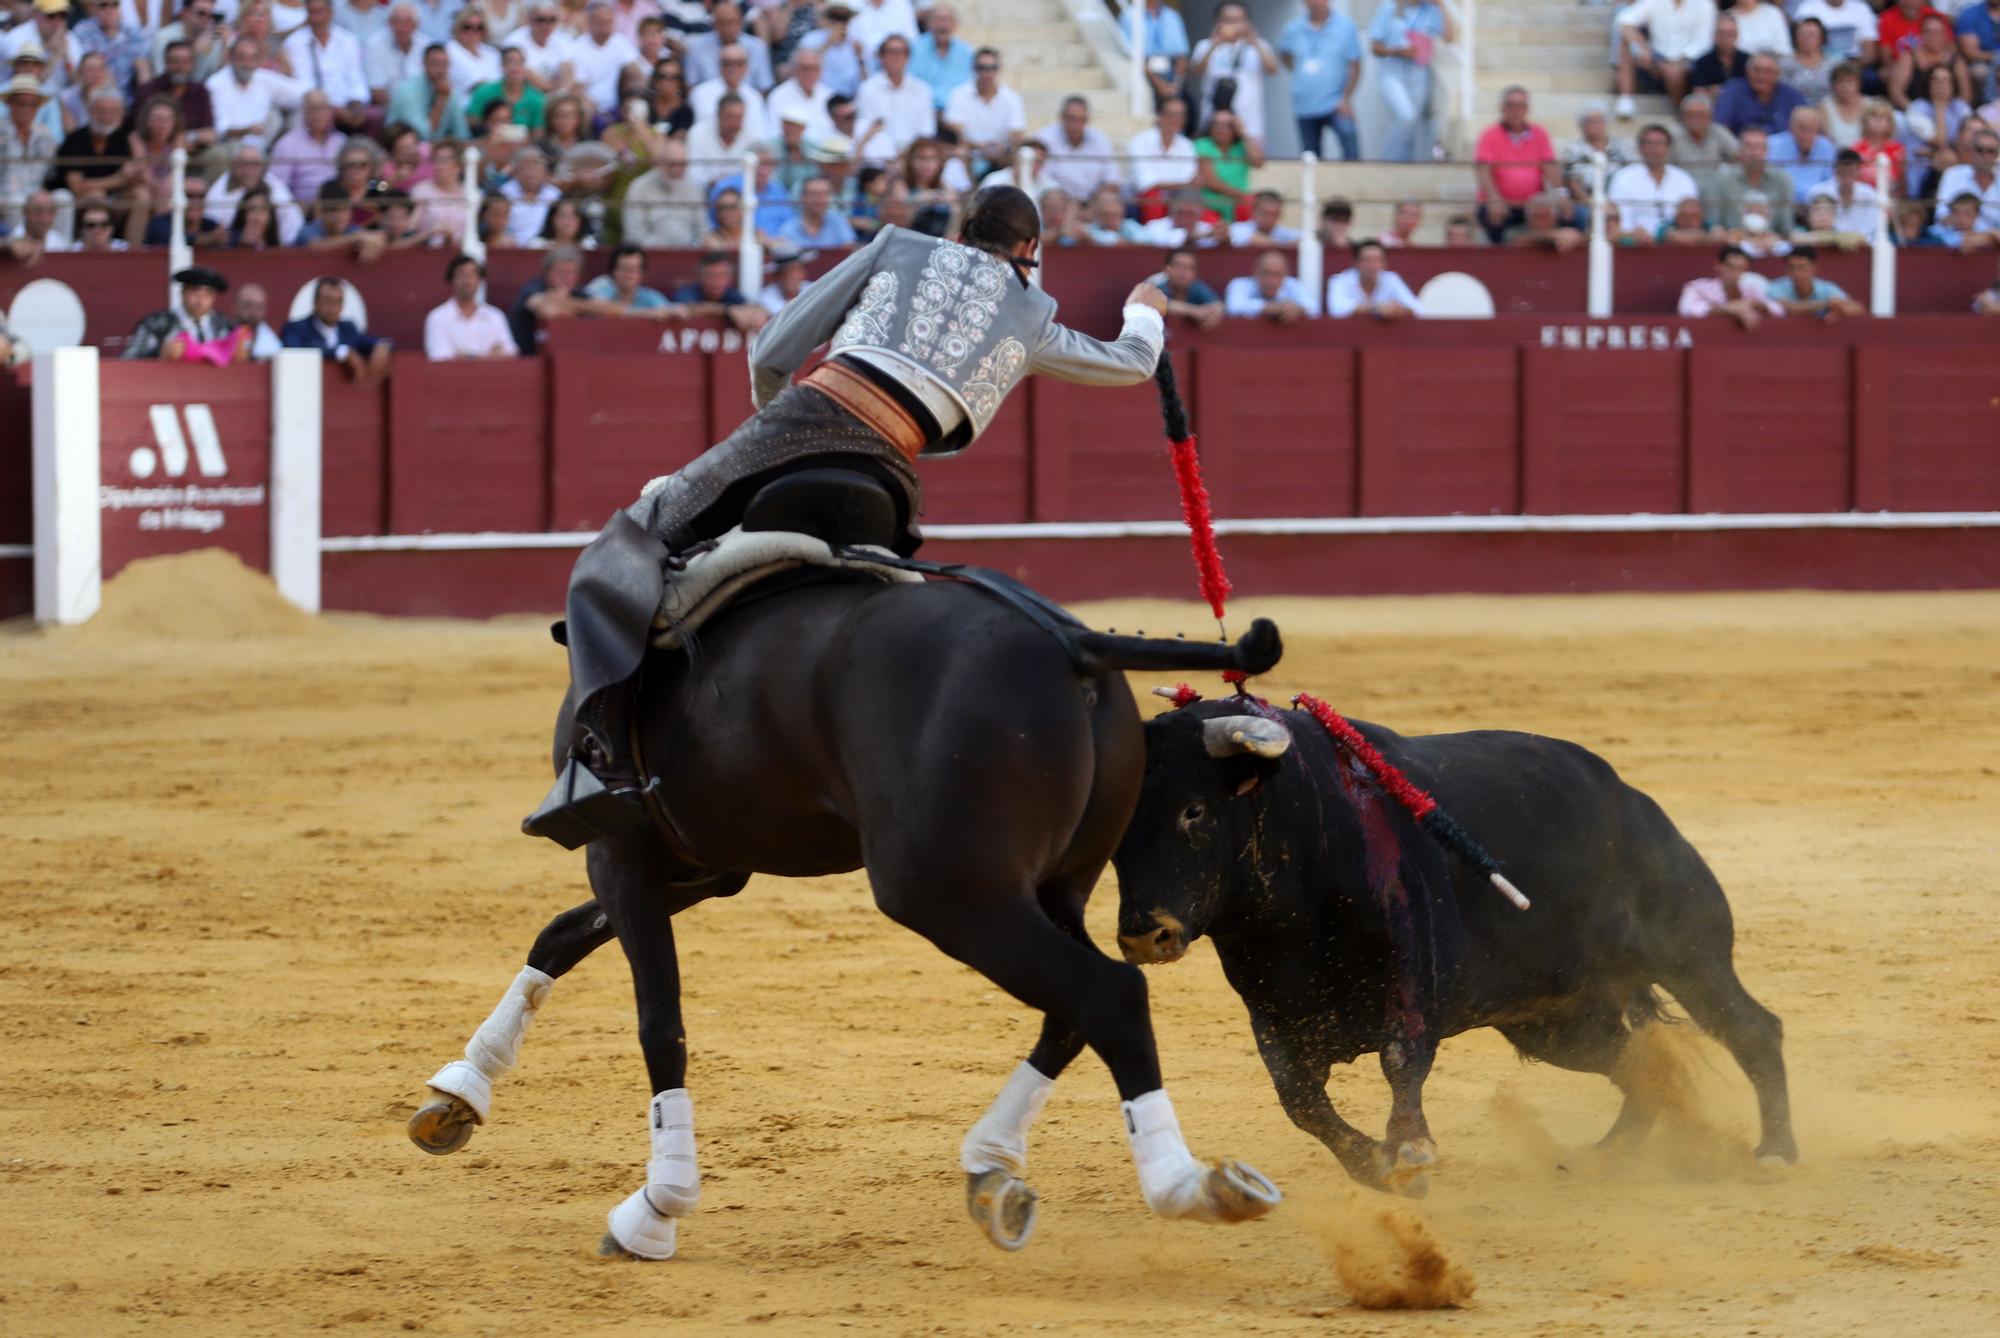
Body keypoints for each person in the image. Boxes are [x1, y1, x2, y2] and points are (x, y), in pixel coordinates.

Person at [525, 186, 1173, 845]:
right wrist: (1144, 309)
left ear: (960, 226)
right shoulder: (1034, 311)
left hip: (800, 423)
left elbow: (773, 351)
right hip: (889, 483)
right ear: (1030, 251)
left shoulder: (898, 245)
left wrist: (771, 426)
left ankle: (601, 763)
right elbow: (1133, 363)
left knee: (622, 545)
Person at [1473, 84, 1558, 243]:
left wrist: (1556, 195)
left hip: (1533, 203)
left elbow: (1550, 168)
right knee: (1494, 216)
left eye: (1520, 106)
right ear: (1502, 108)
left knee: (1570, 214)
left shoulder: (1540, 134)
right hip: (1501, 202)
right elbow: (1483, 171)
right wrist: (1494, 198)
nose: (1515, 110)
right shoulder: (1489, 135)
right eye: (1511, 105)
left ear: (1527, 109)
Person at [1278, 0, 1360, 163]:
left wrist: (1345, 98)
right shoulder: (1292, 28)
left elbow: (1355, 65)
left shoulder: (1346, 26)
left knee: (1348, 138)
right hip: (1304, 102)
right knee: (1311, 156)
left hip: (1335, 101)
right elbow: (1284, 55)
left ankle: (1353, 184)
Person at [1191, 1, 1274, 148]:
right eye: (1228, 20)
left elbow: (1272, 69)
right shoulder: (1205, 45)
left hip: (1250, 123)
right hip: (1214, 123)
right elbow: (1195, 72)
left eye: (1239, 20)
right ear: (1217, 22)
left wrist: (1254, 41)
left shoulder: (1258, 46)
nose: (1234, 25)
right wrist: (1215, 44)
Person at [1613, 0, 1717, 117]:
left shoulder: (1704, 4)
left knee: (1673, 72)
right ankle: (1625, 98)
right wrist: (1643, 48)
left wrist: (1677, 62)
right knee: (1626, 40)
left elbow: (1703, 44)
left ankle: (1681, 114)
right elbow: (1624, 20)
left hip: (1690, 63)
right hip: (1657, 59)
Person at [124, 264, 248, 360]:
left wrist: (241, 356)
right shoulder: (156, 325)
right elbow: (128, 362)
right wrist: (159, 354)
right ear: (183, 292)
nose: (201, 298)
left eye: (208, 293)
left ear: (214, 297)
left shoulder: (226, 328)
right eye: (195, 290)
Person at [281, 273, 393, 376]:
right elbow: (297, 350)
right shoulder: (295, 329)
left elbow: (368, 340)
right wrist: (341, 352)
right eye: (328, 300)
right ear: (315, 302)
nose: (333, 307)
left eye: (338, 301)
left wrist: (381, 345)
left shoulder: (348, 328)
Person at [284, 0, 369, 129]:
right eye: (312, 12)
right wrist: (332, 108)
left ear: (331, 13)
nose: (316, 18)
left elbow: (356, 78)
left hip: (347, 105)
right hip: (313, 107)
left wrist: (357, 104)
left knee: (372, 117)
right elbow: (302, 83)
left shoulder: (348, 40)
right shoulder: (295, 42)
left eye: (320, 12)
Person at [852, 32, 930, 165]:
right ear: (881, 56)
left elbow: (926, 130)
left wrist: (906, 155)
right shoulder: (868, 89)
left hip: (914, 159)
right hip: (879, 158)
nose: (896, 57)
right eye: (891, 52)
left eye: (900, 52)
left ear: (907, 57)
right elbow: (867, 129)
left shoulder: (922, 89)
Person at [1608, 122, 1699, 235]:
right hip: (1635, 243)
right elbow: (1621, 219)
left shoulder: (1684, 179)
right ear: (1640, 148)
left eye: (1659, 143)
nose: (1654, 149)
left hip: (1676, 241)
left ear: (1668, 148)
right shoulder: (1623, 178)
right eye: (1649, 143)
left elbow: (1692, 218)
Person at [1708, 125, 1795, 239]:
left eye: (1759, 147)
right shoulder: (1721, 179)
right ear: (1740, 151)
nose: (1754, 153)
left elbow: (1787, 229)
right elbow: (1714, 226)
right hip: (1732, 245)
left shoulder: (1783, 180)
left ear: (1767, 152)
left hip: (1772, 246)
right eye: (1748, 146)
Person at [425, 252, 516, 357]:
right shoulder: (437, 317)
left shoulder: (495, 316)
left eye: (472, 274)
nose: (467, 280)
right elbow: (440, 357)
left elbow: (510, 353)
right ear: (452, 279)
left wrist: (463, 355)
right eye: (461, 274)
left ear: (480, 280)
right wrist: (488, 356)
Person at [619, 134, 702, 245]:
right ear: (660, 163)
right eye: (672, 164)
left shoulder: (694, 188)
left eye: (682, 165)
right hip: (649, 256)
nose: (677, 170)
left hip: (689, 255)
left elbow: (703, 230)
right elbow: (633, 233)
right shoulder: (639, 188)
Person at [1125, 93, 1196, 218]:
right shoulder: (1140, 141)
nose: (1175, 120)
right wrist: (1181, 184)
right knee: (1153, 197)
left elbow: (1188, 178)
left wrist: (1177, 185)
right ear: (1159, 116)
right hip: (1141, 200)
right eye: (1170, 114)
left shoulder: (1187, 145)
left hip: (1177, 199)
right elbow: (1145, 182)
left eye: (1180, 116)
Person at [1676, 243, 1782, 326]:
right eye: (1731, 267)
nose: (1735, 273)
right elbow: (1686, 309)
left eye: (1740, 268)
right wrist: (1729, 310)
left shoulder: (1750, 291)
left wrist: (1754, 304)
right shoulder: (1697, 287)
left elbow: (1778, 310)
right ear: (1718, 266)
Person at [1037, 94, 1117, 204]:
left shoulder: (1100, 140)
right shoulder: (1045, 138)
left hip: (1093, 204)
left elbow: (1111, 181)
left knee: (1110, 201)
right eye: (1071, 118)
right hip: (1057, 204)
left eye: (1080, 119)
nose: (1075, 125)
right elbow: (1041, 179)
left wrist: (1091, 209)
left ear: (1087, 120)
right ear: (1062, 117)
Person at [666, 248, 770, 332]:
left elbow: (748, 306)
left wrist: (757, 313)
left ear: (730, 277)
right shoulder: (687, 292)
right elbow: (688, 307)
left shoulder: (731, 294)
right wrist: (727, 311)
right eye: (711, 275)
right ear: (700, 276)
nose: (717, 281)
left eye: (723, 275)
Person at [578, 241, 679, 318]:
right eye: (624, 268)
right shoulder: (601, 288)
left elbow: (668, 310)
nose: (629, 274)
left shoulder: (649, 296)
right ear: (614, 271)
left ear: (642, 273)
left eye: (635, 269)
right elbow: (590, 306)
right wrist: (645, 313)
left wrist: (677, 312)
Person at [1325, 239, 1420, 320]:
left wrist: (1398, 310)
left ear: (1384, 264)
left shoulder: (1391, 279)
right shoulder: (1339, 280)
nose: (1372, 265)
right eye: (1366, 260)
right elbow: (1336, 309)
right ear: (1356, 263)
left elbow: (1417, 309)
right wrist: (1376, 309)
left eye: (1377, 260)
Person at [1666, 92, 1739, 196]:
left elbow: (1739, 154)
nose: (1695, 119)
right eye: (1690, 114)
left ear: (1709, 117)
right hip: (1679, 189)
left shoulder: (1718, 131)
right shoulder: (1672, 134)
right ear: (1682, 117)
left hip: (1713, 191)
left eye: (1700, 114)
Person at [1716, 53, 1804, 135]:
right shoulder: (1733, 90)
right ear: (1747, 72)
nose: (1761, 76)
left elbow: (1806, 123)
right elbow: (1720, 125)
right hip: (1742, 148)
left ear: (1777, 75)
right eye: (1756, 70)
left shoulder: (1791, 95)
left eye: (1768, 72)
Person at [1769, 243, 1863, 318]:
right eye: (1791, 267)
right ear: (1786, 269)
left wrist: (1839, 307)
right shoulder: (1776, 287)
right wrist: (1827, 304)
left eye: (1802, 267)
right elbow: (1789, 308)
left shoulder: (1826, 288)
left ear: (1814, 268)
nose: (1796, 273)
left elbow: (1857, 309)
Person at [1931, 126, 1999, 229]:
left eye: (1990, 151)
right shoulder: (1953, 174)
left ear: (1997, 154)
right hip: (1957, 238)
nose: (1985, 155)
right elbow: (1942, 214)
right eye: (1980, 150)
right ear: (1972, 150)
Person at [1806, 147, 1881, 237]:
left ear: (1858, 171)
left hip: (1862, 245)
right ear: (1834, 171)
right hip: (1826, 242)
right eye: (1842, 172)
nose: (1846, 177)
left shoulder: (1870, 195)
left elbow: (1872, 229)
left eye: (1851, 172)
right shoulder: (1816, 192)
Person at [905, 1, 966, 110]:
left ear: (955, 24)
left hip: (956, 112)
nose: (942, 25)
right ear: (928, 24)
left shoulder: (965, 52)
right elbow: (909, 84)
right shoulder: (914, 49)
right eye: (937, 19)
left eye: (947, 20)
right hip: (922, 109)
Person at [1223, 247, 1310, 322]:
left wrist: (1297, 310)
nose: (1270, 280)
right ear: (1256, 272)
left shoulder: (1294, 285)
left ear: (1285, 275)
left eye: (1276, 274)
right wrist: (1268, 308)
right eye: (1265, 273)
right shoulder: (1239, 284)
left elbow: (1313, 308)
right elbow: (1234, 307)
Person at [1768, 104, 1837, 197]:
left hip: (1816, 204)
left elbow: (1829, 182)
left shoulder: (1826, 147)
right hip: (1782, 202)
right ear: (1791, 128)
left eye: (1811, 129)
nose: (1806, 136)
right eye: (1802, 129)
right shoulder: (1772, 145)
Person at [1149, 244, 1222, 328]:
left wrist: (1212, 315)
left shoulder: (1196, 286)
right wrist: (1195, 311)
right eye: (1179, 266)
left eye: (1189, 267)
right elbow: (1155, 303)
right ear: (1167, 269)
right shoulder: (1155, 283)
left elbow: (1217, 304)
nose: (1184, 272)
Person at [778, 173, 856, 247]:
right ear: (803, 197)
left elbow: (849, 249)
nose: (819, 199)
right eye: (814, 194)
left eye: (824, 194)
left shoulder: (838, 222)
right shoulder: (789, 228)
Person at [1923, 191, 2000, 248]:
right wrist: (1985, 239)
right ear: (1950, 213)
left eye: (1967, 213)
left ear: (1976, 215)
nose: (1961, 218)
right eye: (1956, 212)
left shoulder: (1984, 231)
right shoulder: (1934, 232)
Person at [1227, 188, 1297, 247]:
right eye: (1264, 213)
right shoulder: (1236, 230)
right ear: (1253, 211)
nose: (1269, 219)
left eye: (1274, 214)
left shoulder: (1286, 233)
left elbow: (1302, 239)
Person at [232, 280, 285, 358]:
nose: (253, 312)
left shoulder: (272, 343)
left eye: (259, 307)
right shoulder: (218, 332)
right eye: (248, 305)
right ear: (236, 305)